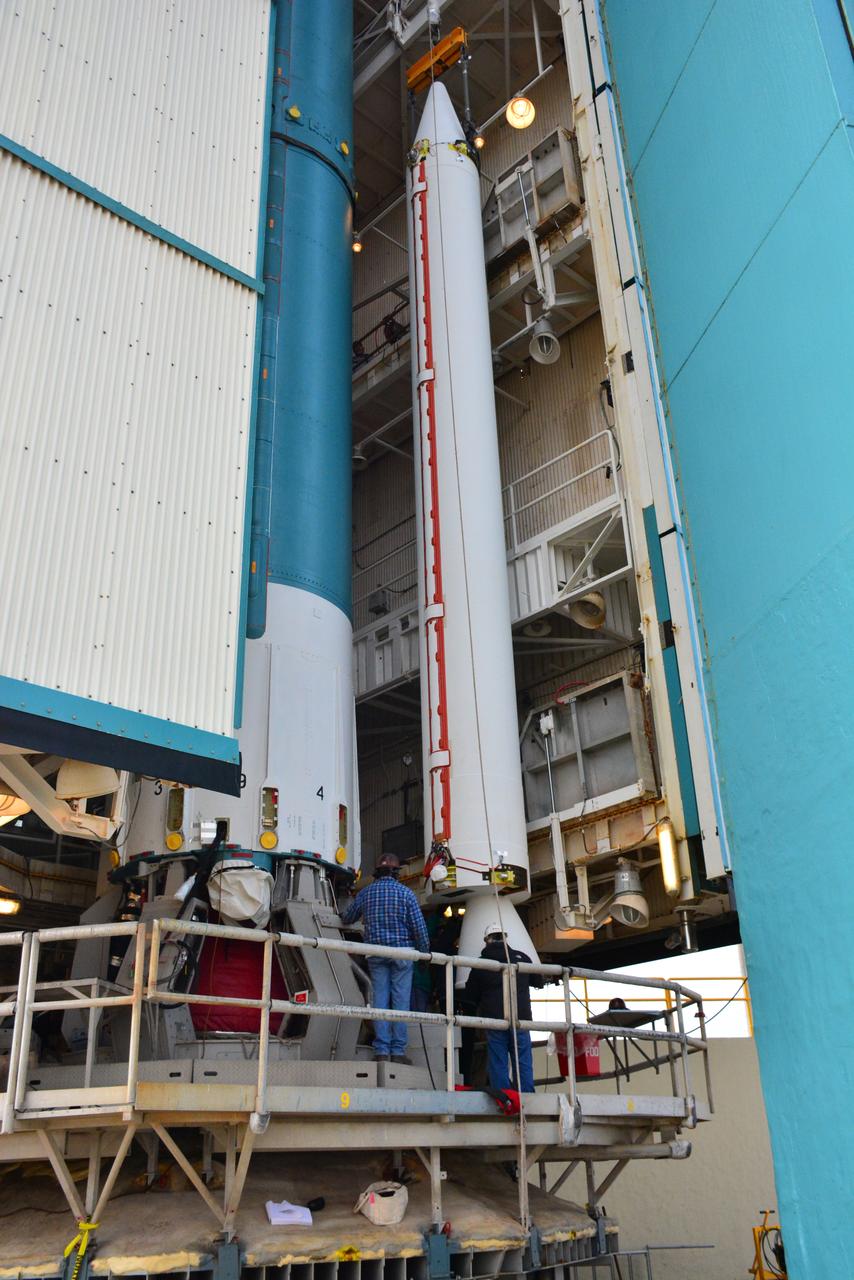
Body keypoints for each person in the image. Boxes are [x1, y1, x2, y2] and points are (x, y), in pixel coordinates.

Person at [342, 853, 430, 1063]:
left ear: (376, 873)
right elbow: (420, 929)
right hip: (402, 953)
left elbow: (348, 917)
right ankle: (398, 1052)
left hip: (376, 953)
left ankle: (381, 1050)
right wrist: (424, 954)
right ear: (396, 873)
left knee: (380, 1000)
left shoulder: (366, 893)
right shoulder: (406, 894)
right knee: (401, 1002)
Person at [463, 922, 539, 1093]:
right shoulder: (522, 958)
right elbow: (538, 981)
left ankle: (503, 1097)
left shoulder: (481, 964)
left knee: (498, 1061)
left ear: (487, 940)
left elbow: (470, 996)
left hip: (495, 1020)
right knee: (523, 1060)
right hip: (521, 1019)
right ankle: (527, 1096)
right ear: (505, 938)